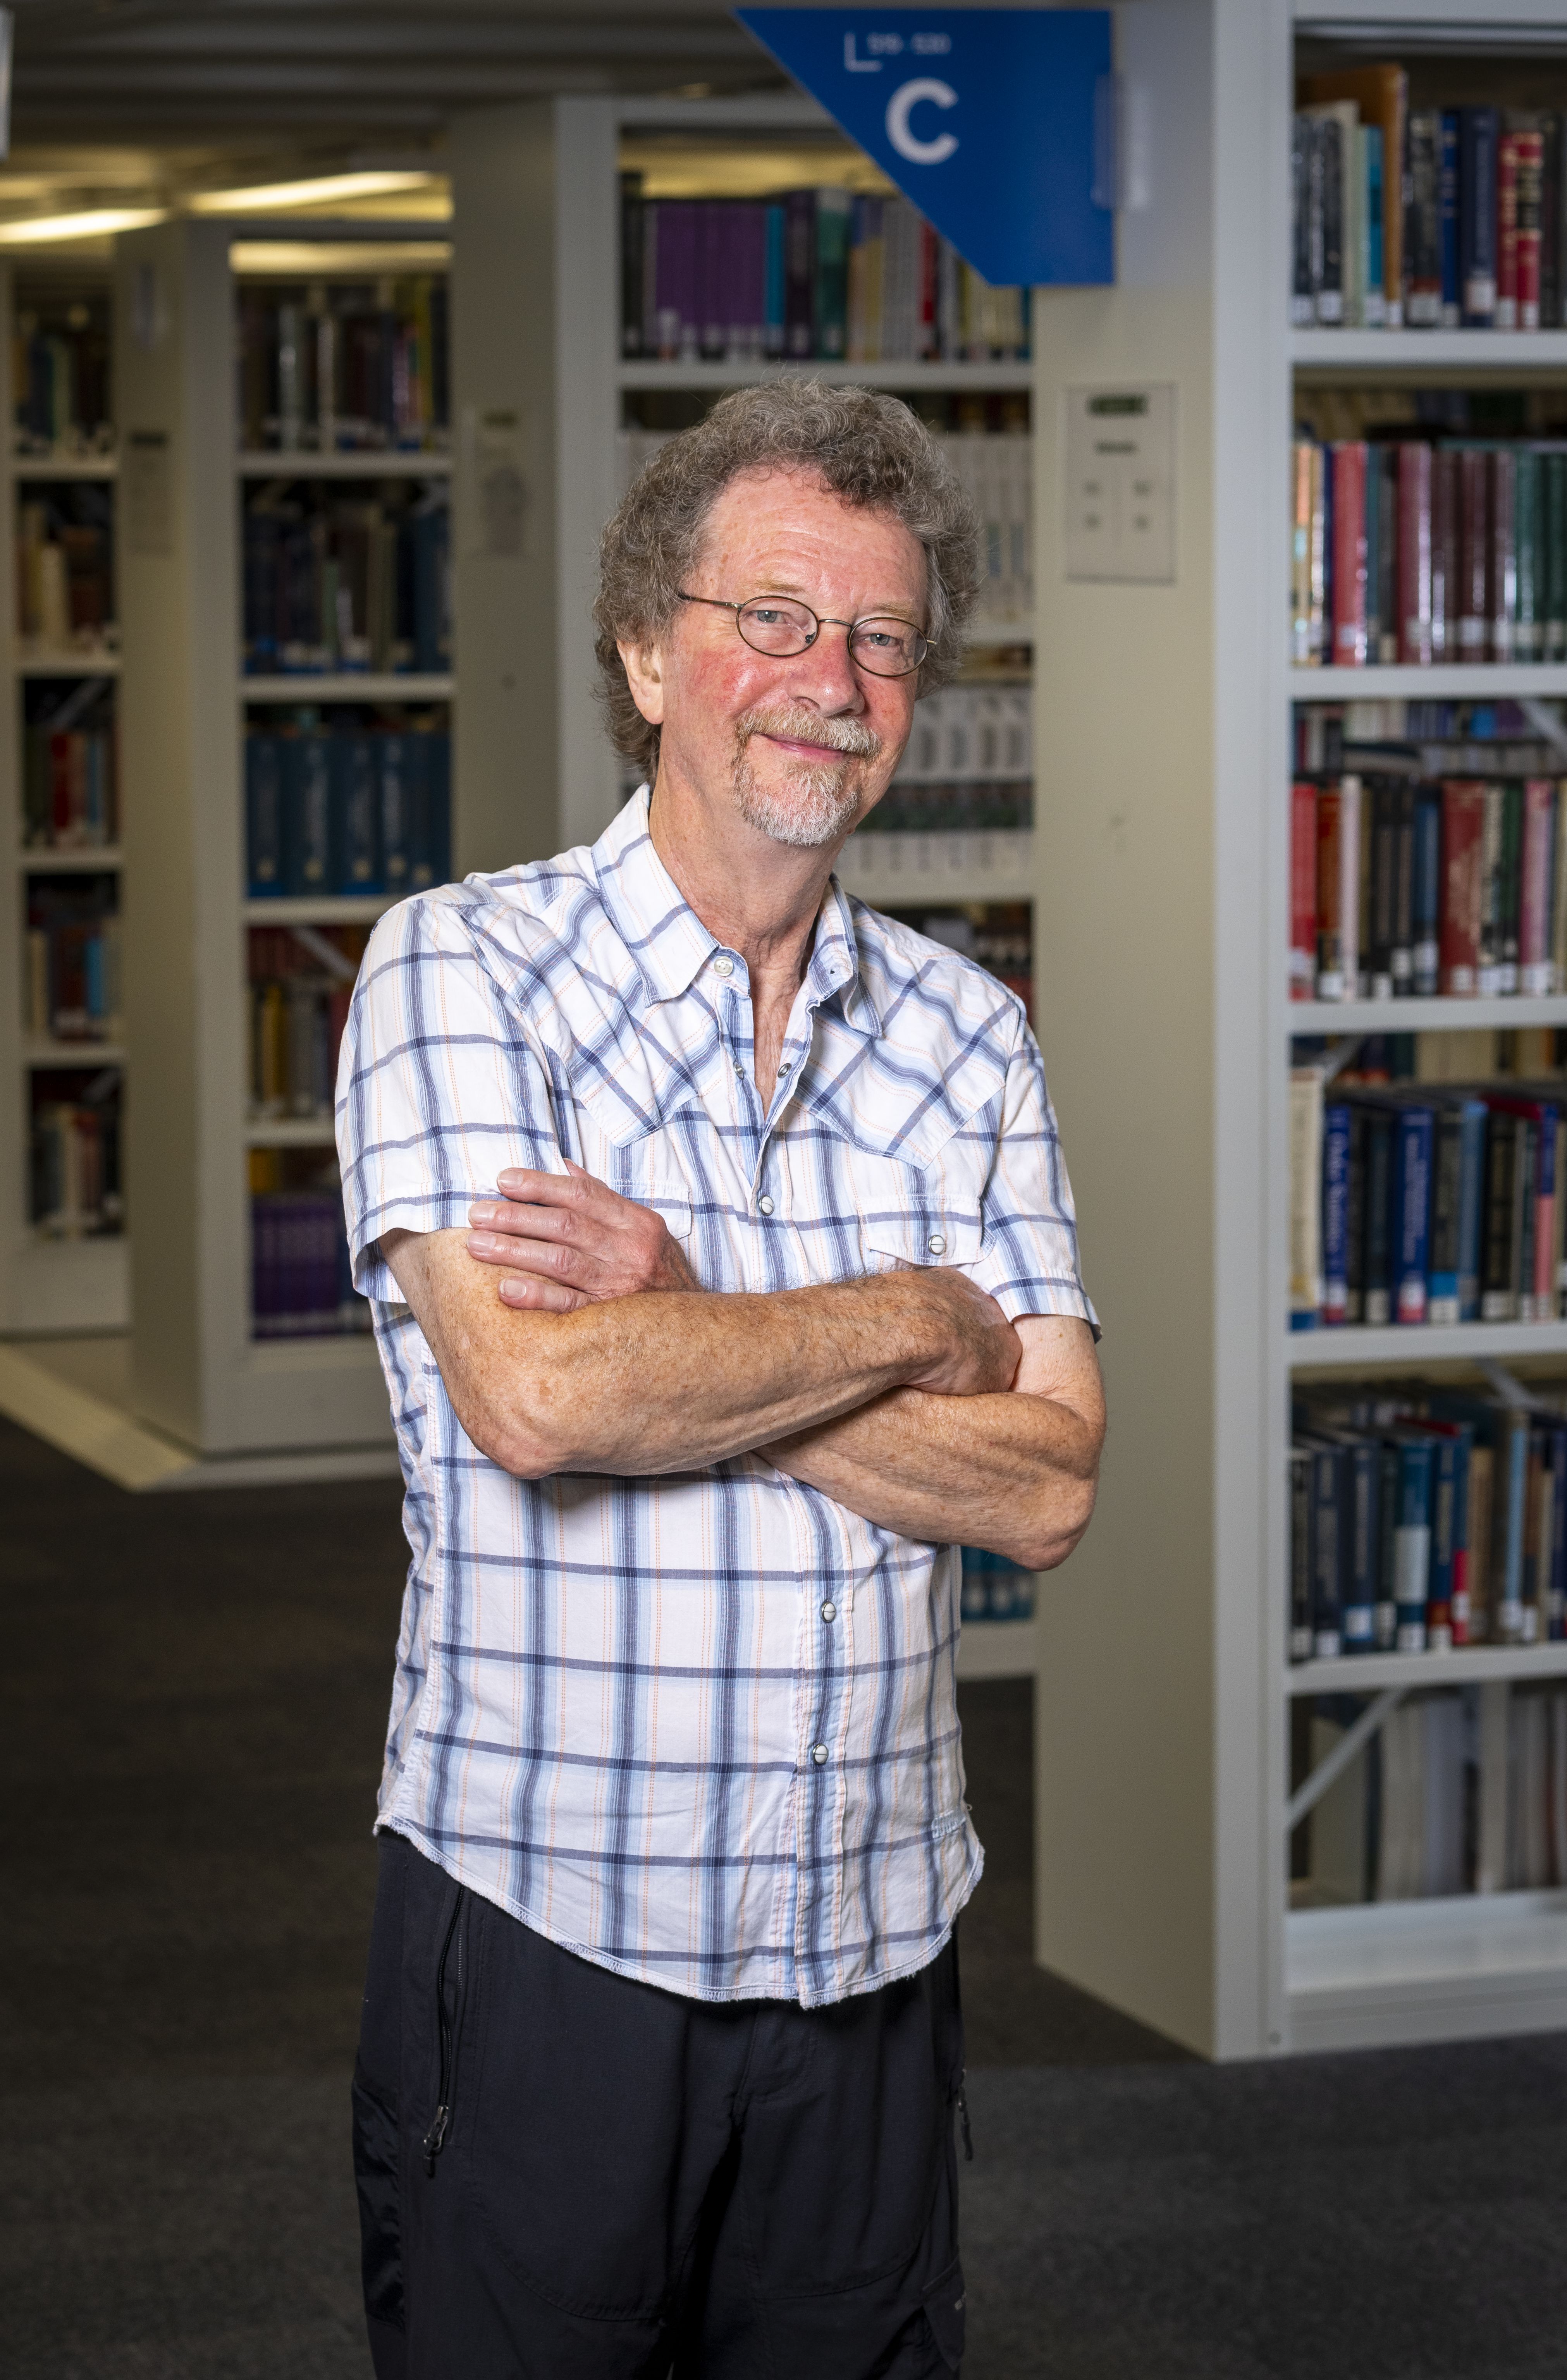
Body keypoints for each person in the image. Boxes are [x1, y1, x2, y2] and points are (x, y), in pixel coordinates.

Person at [337, 380, 1104, 2380]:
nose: (827, 683)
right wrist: (915, 1312)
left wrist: (693, 1310)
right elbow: (550, 1405)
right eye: (774, 618)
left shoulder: (969, 1039)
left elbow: (1044, 1488)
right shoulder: (460, 971)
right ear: (643, 647)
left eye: (879, 639)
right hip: (550, 1946)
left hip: (871, 1955)